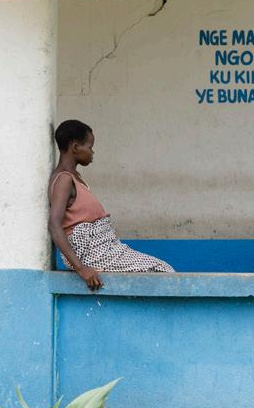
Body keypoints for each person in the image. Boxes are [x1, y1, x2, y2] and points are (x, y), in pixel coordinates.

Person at [47, 119, 172, 289]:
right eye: (90, 147)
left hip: (107, 249)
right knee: (162, 270)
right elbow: (54, 224)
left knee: (162, 270)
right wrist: (81, 268)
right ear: (75, 147)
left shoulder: (75, 177)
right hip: (95, 254)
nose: (92, 152)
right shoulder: (64, 179)